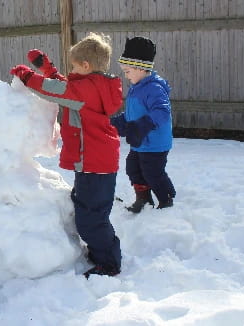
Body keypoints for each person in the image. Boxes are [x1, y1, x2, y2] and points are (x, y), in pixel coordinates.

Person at [10, 32, 124, 278]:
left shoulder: (85, 90)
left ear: (85, 65)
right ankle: (103, 252)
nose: (70, 69)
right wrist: (47, 68)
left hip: (95, 165)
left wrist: (27, 75)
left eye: (73, 65)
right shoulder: (95, 86)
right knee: (90, 211)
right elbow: (68, 88)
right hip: (97, 164)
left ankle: (109, 263)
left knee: (91, 219)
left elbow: (55, 91)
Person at [111, 36, 176, 213]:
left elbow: (162, 112)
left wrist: (143, 125)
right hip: (140, 143)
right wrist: (118, 122)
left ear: (140, 68)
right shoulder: (136, 87)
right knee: (133, 168)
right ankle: (144, 199)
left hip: (155, 144)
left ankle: (166, 199)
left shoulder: (154, 88)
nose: (125, 75)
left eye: (127, 71)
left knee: (153, 172)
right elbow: (134, 114)